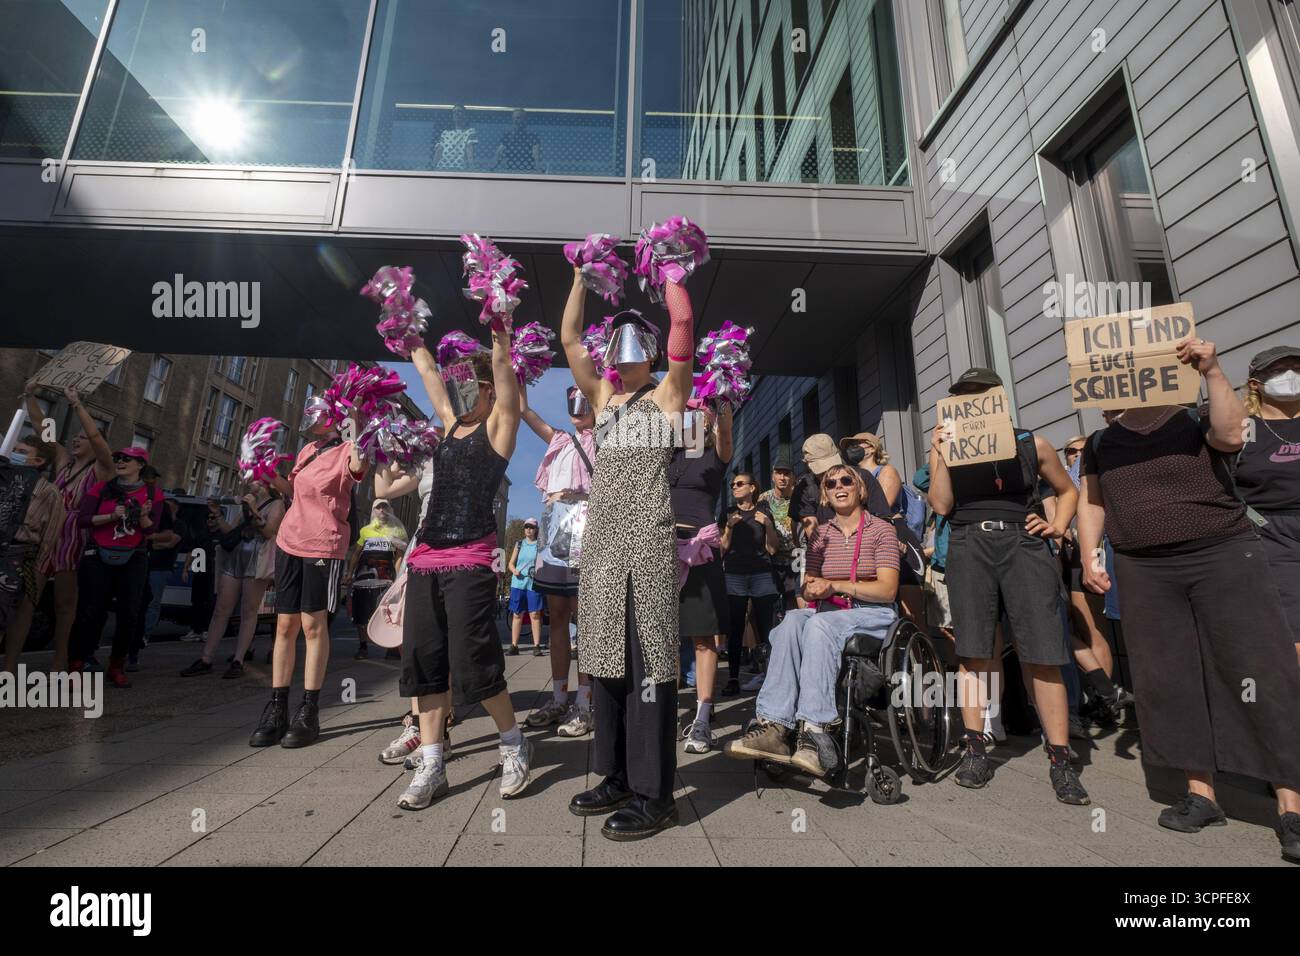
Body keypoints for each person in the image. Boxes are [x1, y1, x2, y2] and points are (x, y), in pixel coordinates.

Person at [1078, 337, 1300, 862]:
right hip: (1144, 568)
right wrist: (1091, 554)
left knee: (1260, 669)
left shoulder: (1196, 417)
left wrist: (1213, 370)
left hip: (1223, 555)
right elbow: (1093, 501)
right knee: (1168, 678)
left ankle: (1290, 805)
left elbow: (1229, 436)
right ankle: (1201, 796)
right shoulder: (1100, 441)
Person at [560, 268, 694, 841]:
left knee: (649, 669)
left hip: (647, 546)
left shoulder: (668, 395)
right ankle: (614, 775)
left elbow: (684, 324)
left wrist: (670, 274)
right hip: (604, 549)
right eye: (617, 337)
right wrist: (579, 278)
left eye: (634, 335)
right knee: (606, 666)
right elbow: (569, 339)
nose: (624, 345)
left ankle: (654, 794)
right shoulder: (604, 398)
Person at [926, 367, 1088, 805]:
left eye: (980, 394)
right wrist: (940, 452)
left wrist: (1057, 524)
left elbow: (1067, 488)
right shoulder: (945, 448)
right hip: (968, 541)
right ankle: (975, 748)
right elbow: (941, 504)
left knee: (1042, 651)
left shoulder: (1030, 443)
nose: (971, 400)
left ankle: (1060, 759)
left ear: (999, 399)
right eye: (963, 394)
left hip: (1022, 541)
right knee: (975, 650)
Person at [395, 325, 532, 811]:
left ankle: (513, 741)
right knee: (424, 663)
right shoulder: (450, 421)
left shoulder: (500, 427)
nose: (457, 390)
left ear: (488, 390)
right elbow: (428, 368)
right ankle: (433, 763)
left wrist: (500, 331)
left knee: (473, 662)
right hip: (425, 557)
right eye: (456, 385)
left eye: (468, 383)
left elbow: (503, 370)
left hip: (472, 556)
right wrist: (404, 323)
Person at [724, 464, 899, 776]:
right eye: (831, 484)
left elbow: (887, 589)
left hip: (872, 611)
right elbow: (810, 585)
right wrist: (813, 587)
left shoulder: (881, 530)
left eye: (847, 480)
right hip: (830, 610)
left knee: (818, 625)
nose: (838, 486)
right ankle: (774, 726)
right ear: (826, 496)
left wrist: (838, 586)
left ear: (860, 490)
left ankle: (815, 729)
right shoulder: (821, 534)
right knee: (790, 621)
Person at [248, 397, 367, 749]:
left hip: (323, 545)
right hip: (289, 540)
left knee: (313, 625)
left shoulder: (348, 448)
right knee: (285, 625)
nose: (310, 418)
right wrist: (267, 472)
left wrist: (357, 426)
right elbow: (291, 492)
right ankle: (277, 706)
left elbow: (360, 468)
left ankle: (309, 709)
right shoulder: (306, 450)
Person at [19, 383, 114, 672]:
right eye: (75, 436)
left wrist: (76, 404)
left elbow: (97, 437)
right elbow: (42, 427)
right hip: (46, 535)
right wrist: (29, 397)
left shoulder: (100, 469)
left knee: (64, 605)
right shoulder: (63, 463)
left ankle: (60, 661)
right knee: (27, 600)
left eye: (81, 438)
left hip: (71, 538)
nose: (76, 440)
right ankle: (11, 663)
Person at [519, 384, 597, 737]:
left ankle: (584, 702)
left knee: (586, 618)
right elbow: (525, 411)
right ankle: (559, 697)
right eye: (572, 401)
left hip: (588, 534)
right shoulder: (561, 439)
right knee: (559, 617)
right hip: (554, 540)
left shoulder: (606, 438)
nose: (577, 408)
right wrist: (517, 370)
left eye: (585, 400)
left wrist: (574, 494)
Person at [67, 447, 163, 688]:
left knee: (129, 613)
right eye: (118, 458)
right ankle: (77, 664)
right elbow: (83, 520)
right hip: (98, 554)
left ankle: (116, 664)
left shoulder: (153, 493)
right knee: (89, 611)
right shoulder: (102, 488)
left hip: (134, 557)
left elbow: (151, 530)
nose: (120, 462)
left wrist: (141, 515)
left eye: (126, 459)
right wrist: (111, 516)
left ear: (140, 464)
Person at [669, 401, 733, 753]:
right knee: (658, 636)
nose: (687, 421)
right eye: (682, 416)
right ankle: (660, 710)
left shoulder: (714, 457)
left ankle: (703, 717)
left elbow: (725, 432)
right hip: (661, 551)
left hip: (701, 550)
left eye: (695, 416)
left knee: (703, 638)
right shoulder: (663, 456)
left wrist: (722, 392)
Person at [1053, 435, 1127, 731]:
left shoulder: (1092, 473)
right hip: (1072, 557)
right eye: (1071, 450)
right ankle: (1104, 693)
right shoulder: (1066, 477)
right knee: (1080, 627)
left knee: (1093, 628)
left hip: (1094, 553)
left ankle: (1105, 699)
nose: (1077, 455)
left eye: (1083, 450)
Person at [180, 481, 284, 679]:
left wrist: (253, 510)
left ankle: (239, 660)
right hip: (235, 559)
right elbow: (230, 532)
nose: (249, 481)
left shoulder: (276, 504)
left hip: (257, 560)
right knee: (221, 609)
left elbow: (269, 532)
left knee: (248, 610)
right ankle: (206, 659)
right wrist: (218, 514)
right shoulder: (246, 502)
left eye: (254, 477)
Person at [1237, 345, 1300, 647]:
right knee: (1294, 634)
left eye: (1297, 369)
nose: (1290, 376)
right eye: (1278, 370)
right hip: (1274, 537)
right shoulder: (1242, 429)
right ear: (1255, 384)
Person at [842, 431, 927, 628]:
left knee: (911, 614)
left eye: (856, 444)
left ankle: (923, 656)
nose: (851, 449)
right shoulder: (848, 477)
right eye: (849, 446)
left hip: (897, 536)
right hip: (866, 539)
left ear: (871, 448)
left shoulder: (886, 471)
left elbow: (881, 508)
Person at [2, 437, 66, 673]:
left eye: (21, 451)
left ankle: (7, 669)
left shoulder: (49, 493)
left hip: (19, 554)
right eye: (14, 449)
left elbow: (50, 536)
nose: (14, 453)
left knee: (8, 613)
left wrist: (36, 569)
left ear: (38, 461)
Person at [720, 470, 778, 698]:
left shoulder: (763, 511)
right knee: (735, 628)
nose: (735, 487)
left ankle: (772, 677)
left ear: (752, 487)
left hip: (762, 573)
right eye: (733, 484)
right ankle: (733, 678)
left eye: (740, 484)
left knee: (767, 628)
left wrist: (769, 526)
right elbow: (722, 549)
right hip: (734, 574)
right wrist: (729, 528)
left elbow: (772, 549)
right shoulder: (728, 513)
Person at [345, 497, 408, 660]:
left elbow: (399, 557)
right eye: (378, 508)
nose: (381, 511)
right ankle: (363, 646)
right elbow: (356, 554)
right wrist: (349, 574)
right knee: (361, 611)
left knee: (389, 610)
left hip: (386, 577)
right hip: (364, 576)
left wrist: (399, 578)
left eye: (385, 508)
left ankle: (391, 647)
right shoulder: (365, 530)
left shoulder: (397, 531)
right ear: (373, 511)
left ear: (390, 510)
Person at [759, 456, 798, 611]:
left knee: (795, 599)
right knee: (771, 602)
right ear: (773, 476)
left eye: (786, 473)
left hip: (797, 555)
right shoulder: (764, 499)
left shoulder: (800, 496)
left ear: (792, 477)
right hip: (772, 557)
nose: (782, 477)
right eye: (778, 473)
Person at [506, 518, 544, 656]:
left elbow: (544, 563)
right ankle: (514, 646)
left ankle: (536, 646)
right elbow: (510, 563)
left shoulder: (540, 545)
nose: (528, 529)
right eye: (526, 527)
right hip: (518, 583)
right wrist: (514, 570)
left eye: (531, 527)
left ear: (536, 529)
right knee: (517, 614)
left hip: (534, 583)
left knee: (535, 614)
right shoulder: (519, 544)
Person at [493, 108, 541, 172]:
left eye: (518, 118)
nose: (515, 120)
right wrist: (493, 167)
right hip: (510, 172)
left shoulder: (532, 137)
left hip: (528, 172)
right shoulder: (507, 136)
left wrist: (538, 169)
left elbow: (536, 153)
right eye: (513, 118)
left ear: (525, 120)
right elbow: (500, 152)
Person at [433, 104, 477, 171]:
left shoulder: (469, 132)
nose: (456, 114)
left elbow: (469, 150)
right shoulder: (445, 133)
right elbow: (439, 150)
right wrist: (432, 168)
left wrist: (472, 168)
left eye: (459, 111)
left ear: (465, 115)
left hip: (459, 169)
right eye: (454, 112)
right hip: (442, 168)